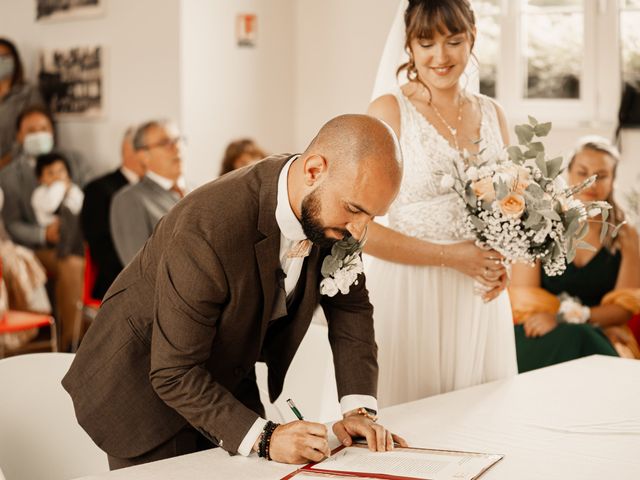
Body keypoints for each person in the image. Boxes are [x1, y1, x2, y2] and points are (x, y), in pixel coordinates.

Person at [62, 114, 406, 469]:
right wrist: (267, 437)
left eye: (373, 216)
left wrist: (359, 411)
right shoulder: (209, 227)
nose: (359, 230)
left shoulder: (336, 214)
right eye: (354, 209)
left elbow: (350, 309)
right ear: (314, 171)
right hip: (141, 394)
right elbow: (173, 372)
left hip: (225, 378)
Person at [364, 0, 517, 407]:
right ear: (409, 46)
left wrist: (505, 262)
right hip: (409, 294)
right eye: (426, 42)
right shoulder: (388, 112)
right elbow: (356, 227)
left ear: (472, 39)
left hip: (478, 301)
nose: (441, 56)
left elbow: (514, 210)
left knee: (483, 424)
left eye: (454, 40)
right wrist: (452, 256)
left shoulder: (494, 113)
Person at [510, 136, 640, 371]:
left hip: (600, 333)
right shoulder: (539, 223)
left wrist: (572, 318)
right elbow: (524, 297)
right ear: (568, 173)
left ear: (613, 181)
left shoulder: (626, 235)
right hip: (540, 330)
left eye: (602, 176)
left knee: (581, 337)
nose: (591, 182)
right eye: (582, 172)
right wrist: (556, 322)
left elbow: (624, 308)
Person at [0, 105, 88, 351]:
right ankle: (72, 346)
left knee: (76, 259)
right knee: (70, 263)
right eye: (31, 130)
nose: (39, 134)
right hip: (34, 248)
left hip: (73, 240)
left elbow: (86, 200)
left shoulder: (74, 162)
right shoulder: (8, 176)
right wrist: (43, 234)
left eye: (44, 129)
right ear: (19, 136)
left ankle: (76, 341)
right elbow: (12, 223)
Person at [81, 127, 146, 299]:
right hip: (119, 281)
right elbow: (102, 249)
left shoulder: (156, 190)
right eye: (147, 149)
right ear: (130, 151)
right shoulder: (99, 190)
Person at [109, 120, 186, 265]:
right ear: (143, 156)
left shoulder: (199, 189)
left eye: (178, 140)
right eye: (165, 143)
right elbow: (141, 269)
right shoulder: (129, 200)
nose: (177, 148)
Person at [31, 152, 84, 258]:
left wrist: (67, 191)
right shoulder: (39, 194)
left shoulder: (74, 190)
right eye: (50, 173)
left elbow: (78, 207)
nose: (57, 176)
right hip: (52, 236)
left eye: (61, 171)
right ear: (41, 179)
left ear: (68, 174)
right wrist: (60, 187)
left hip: (74, 230)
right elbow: (51, 205)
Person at [0, 38, 42, 170]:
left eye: (4, 57)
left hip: (16, 167)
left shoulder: (28, 93)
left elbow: (36, 133)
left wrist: (4, 162)